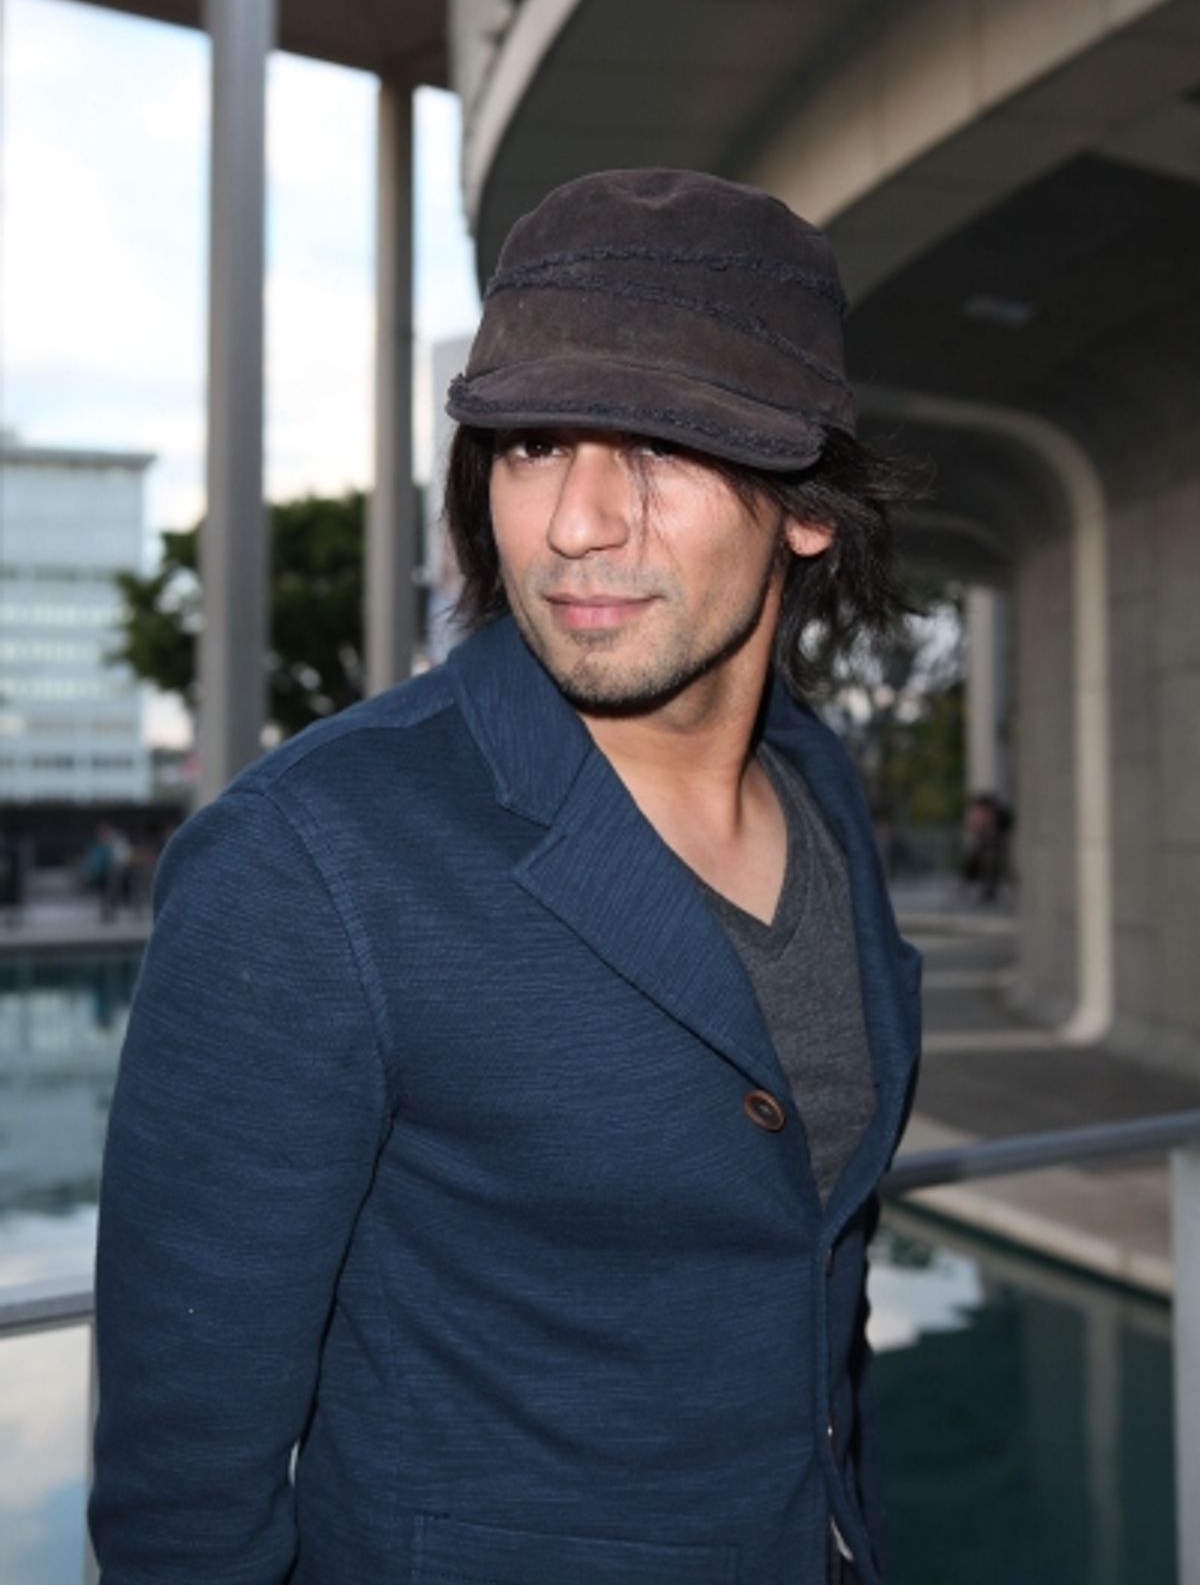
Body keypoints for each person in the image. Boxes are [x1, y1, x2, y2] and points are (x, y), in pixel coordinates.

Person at [91, 169, 922, 1585]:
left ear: (808, 509)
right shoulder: (308, 859)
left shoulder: (823, 794)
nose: (579, 522)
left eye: (663, 446)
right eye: (532, 444)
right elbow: (184, 1496)